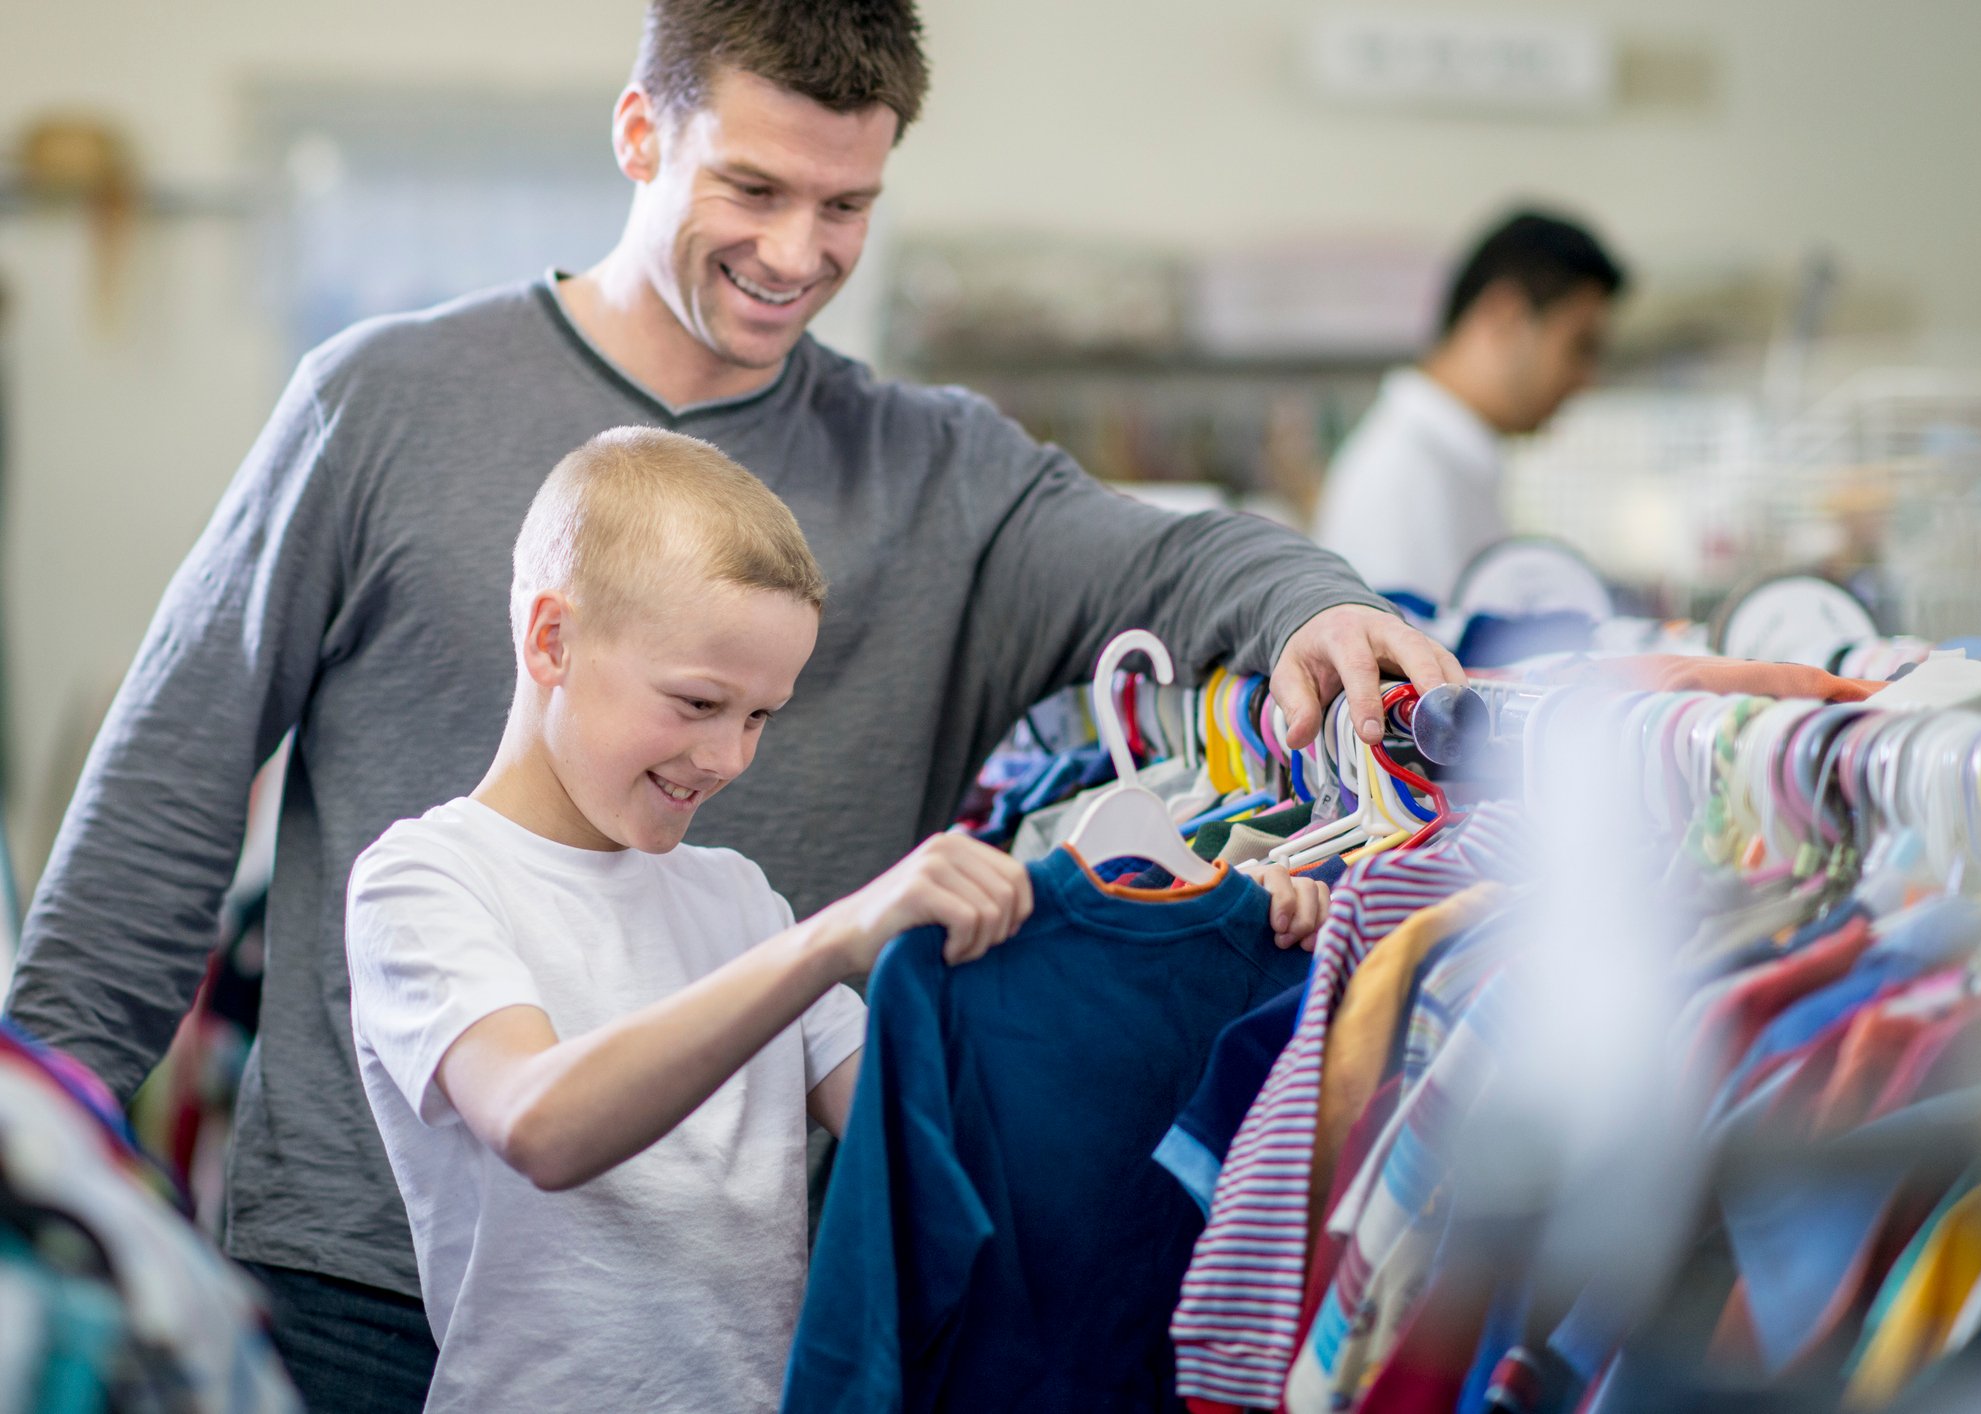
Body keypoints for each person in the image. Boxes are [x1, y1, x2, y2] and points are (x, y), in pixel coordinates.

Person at [6, 2, 1460, 1408]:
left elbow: (1179, 552)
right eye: (752, 187)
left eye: (846, 206)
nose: (795, 251)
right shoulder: (380, 401)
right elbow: (161, 805)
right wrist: (43, 1178)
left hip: (729, 1297)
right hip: (359, 1274)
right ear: (642, 133)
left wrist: (1318, 609)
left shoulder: (940, 474)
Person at [345, 426, 1331, 1411]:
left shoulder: (735, 897)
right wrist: (829, 938)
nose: (729, 757)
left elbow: (949, 1124)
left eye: (760, 716)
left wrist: (1200, 932)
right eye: (698, 702)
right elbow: (537, 1123)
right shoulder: (427, 879)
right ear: (552, 638)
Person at [1312, 208, 1629, 605]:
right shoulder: (1403, 478)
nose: (1586, 379)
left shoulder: (1450, 463)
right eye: (1580, 346)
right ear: (1505, 317)